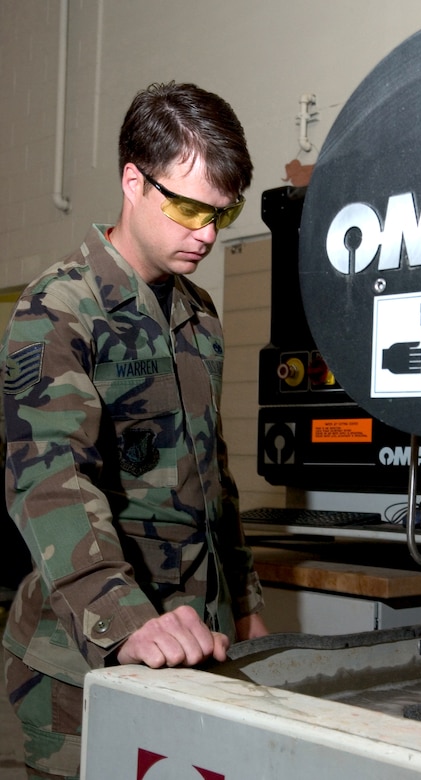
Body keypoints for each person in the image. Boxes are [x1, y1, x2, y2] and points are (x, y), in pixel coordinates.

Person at [1, 81, 268, 780]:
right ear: (132, 180)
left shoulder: (199, 313)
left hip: (193, 652)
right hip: (78, 668)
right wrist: (127, 626)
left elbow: (216, 478)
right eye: (189, 208)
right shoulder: (59, 309)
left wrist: (246, 606)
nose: (208, 233)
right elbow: (48, 482)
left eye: (223, 212)